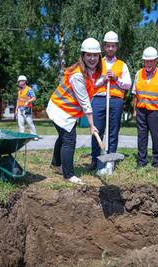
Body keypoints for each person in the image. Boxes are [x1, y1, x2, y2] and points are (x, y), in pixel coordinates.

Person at [46, 37, 101, 185]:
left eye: (95, 55)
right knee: (69, 140)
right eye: (88, 55)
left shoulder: (91, 71)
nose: (92, 58)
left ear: (99, 56)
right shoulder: (78, 75)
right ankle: (68, 174)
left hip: (65, 111)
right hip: (60, 110)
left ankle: (56, 164)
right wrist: (91, 125)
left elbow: (93, 84)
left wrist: (104, 80)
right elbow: (85, 103)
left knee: (63, 137)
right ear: (83, 56)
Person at [90, 31, 132, 174]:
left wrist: (116, 78)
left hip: (115, 100)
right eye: (107, 46)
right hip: (99, 99)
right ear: (104, 46)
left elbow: (127, 85)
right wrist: (103, 78)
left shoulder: (122, 65)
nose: (110, 49)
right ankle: (96, 161)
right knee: (97, 131)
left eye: (113, 46)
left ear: (116, 47)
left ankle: (110, 161)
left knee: (113, 131)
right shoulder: (97, 63)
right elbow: (92, 83)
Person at [132, 47, 158, 168]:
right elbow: (135, 93)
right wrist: (134, 110)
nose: (148, 63)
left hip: (156, 111)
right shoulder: (139, 73)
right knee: (141, 136)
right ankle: (142, 161)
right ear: (143, 61)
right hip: (141, 110)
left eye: (151, 61)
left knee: (156, 136)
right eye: (146, 61)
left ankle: (157, 161)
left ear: (156, 61)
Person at [15, 75, 38, 140]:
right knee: (20, 123)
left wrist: (28, 101)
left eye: (20, 81)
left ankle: (34, 135)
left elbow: (34, 98)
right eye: (18, 81)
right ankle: (22, 136)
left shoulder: (29, 89)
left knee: (29, 122)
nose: (19, 83)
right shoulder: (19, 91)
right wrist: (16, 110)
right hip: (20, 109)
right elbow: (18, 100)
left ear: (24, 81)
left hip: (27, 109)